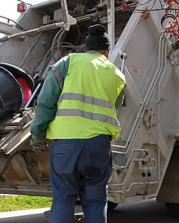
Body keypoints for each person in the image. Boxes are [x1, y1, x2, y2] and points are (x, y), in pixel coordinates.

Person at [30, 24, 126, 223]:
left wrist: (37, 131)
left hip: (66, 146)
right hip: (98, 146)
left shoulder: (67, 63)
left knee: (63, 199)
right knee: (96, 200)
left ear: (87, 48)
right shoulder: (117, 74)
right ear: (106, 51)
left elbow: (45, 102)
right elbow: (117, 104)